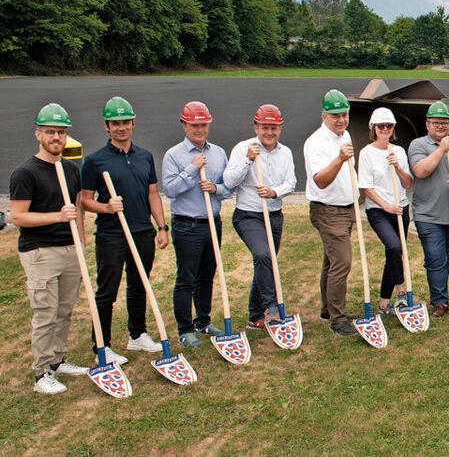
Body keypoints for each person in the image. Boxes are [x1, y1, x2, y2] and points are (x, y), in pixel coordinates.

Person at [80, 97, 170, 363]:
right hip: (111, 234)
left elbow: (153, 193)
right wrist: (106, 208)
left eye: (125, 122)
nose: (121, 128)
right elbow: (85, 200)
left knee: (139, 284)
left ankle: (137, 335)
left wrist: (161, 227)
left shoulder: (144, 156)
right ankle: (102, 346)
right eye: (115, 123)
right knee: (107, 290)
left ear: (133, 124)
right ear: (107, 126)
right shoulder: (95, 161)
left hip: (142, 230)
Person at [10, 104, 89, 394]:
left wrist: (81, 243)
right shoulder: (25, 173)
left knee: (65, 310)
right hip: (40, 251)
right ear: (38, 134)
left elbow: (78, 209)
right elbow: (17, 216)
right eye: (50, 132)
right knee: (46, 311)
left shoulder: (70, 169)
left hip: (70, 249)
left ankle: (57, 361)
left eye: (61, 132)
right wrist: (57, 216)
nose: (56, 137)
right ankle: (41, 373)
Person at [162, 101, 232, 345]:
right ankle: (185, 329)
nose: (199, 129)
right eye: (194, 125)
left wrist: (215, 188)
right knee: (186, 278)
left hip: (212, 222)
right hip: (186, 225)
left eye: (203, 124)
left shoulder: (219, 153)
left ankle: (203, 322)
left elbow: (227, 188)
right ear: (184, 125)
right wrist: (192, 170)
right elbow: (170, 190)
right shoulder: (173, 155)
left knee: (206, 276)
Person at [223, 104, 296, 329]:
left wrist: (274, 192)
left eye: (274, 128)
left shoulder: (285, 152)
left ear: (280, 128)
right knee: (263, 256)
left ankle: (255, 316)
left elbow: (291, 182)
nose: (269, 133)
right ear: (256, 127)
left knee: (267, 263)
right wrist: (247, 159)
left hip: (273, 214)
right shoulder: (243, 148)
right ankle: (272, 307)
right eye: (264, 127)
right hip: (248, 215)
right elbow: (228, 181)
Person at [409, 101, 449, 317]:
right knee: (436, 258)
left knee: (445, 257)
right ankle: (440, 301)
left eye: (444, 122)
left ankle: (440, 293)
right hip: (428, 215)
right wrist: (442, 149)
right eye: (436, 122)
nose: (440, 126)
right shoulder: (418, 145)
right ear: (427, 124)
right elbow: (420, 171)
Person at [304, 89, 358, 335]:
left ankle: (328, 308)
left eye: (344, 115)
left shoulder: (343, 134)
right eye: (335, 115)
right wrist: (339, 159)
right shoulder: (316, 142)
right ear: (323, 116)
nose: (341, 120)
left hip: (346, 208)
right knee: (342, 262)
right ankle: (338, 319)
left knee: (331, 260)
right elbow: (321, 181)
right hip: (328, 210)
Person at [358, 107, 414, 315]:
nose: (385, 129)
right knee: (394, 246)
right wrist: (386, 206)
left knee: (394, 253)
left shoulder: (398, 151)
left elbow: (408, 183)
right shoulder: (366, 153)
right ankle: (401, 291)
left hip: (401, 208)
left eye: (388, 126)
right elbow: (366, 187)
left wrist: (398, 167)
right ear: (373, 128)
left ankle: (383, 303)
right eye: (381, 126)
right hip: (379, 210)